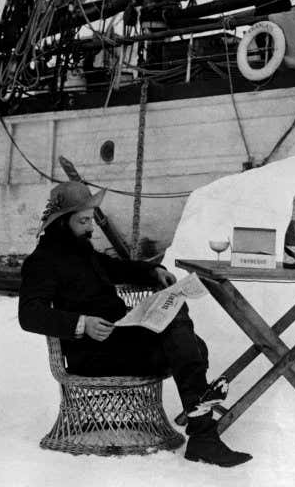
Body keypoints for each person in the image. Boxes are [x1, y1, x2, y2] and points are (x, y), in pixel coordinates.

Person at [17, 181, 252, 468]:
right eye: (83, 220)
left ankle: (203, 433)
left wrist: (153, 272)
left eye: (91, 218)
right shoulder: (41, 262)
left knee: (177, 314)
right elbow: (29, 314)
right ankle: (203, 433)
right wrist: (82, 323)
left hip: (119, 339)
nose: (91, 226)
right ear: (61, 223)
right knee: (191, 346)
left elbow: (115, 268)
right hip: (93, 353)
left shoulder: (80, 250)